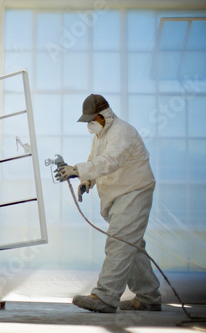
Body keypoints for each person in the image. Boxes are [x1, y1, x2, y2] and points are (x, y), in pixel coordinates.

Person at [55, 94, 162, 313]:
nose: (89, 126)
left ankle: (105, 297)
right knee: (132, 247)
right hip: (121, 194)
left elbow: (112, 161)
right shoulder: (101, 135)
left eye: (91, 120)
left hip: (134, 191)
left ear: (104, 115)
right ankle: (149, 298)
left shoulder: (122, 131)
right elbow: (96, 160)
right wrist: (87, 180)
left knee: (120, 243)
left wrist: (76, 169)